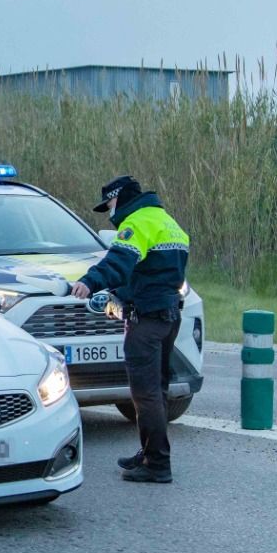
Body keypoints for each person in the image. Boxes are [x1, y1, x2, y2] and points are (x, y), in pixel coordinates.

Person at [70, 175, 189, 483]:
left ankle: (157, 464)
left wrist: (89, 281)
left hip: (146, 320)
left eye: (109, 204)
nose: (109, 211)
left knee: (144, 393)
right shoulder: (166, 220)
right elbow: (151, 273)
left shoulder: (135, 223)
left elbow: (119, 262)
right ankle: (150, 452)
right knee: (157, 389)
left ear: (119, 198)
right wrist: (120, 295)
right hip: (169, 315)